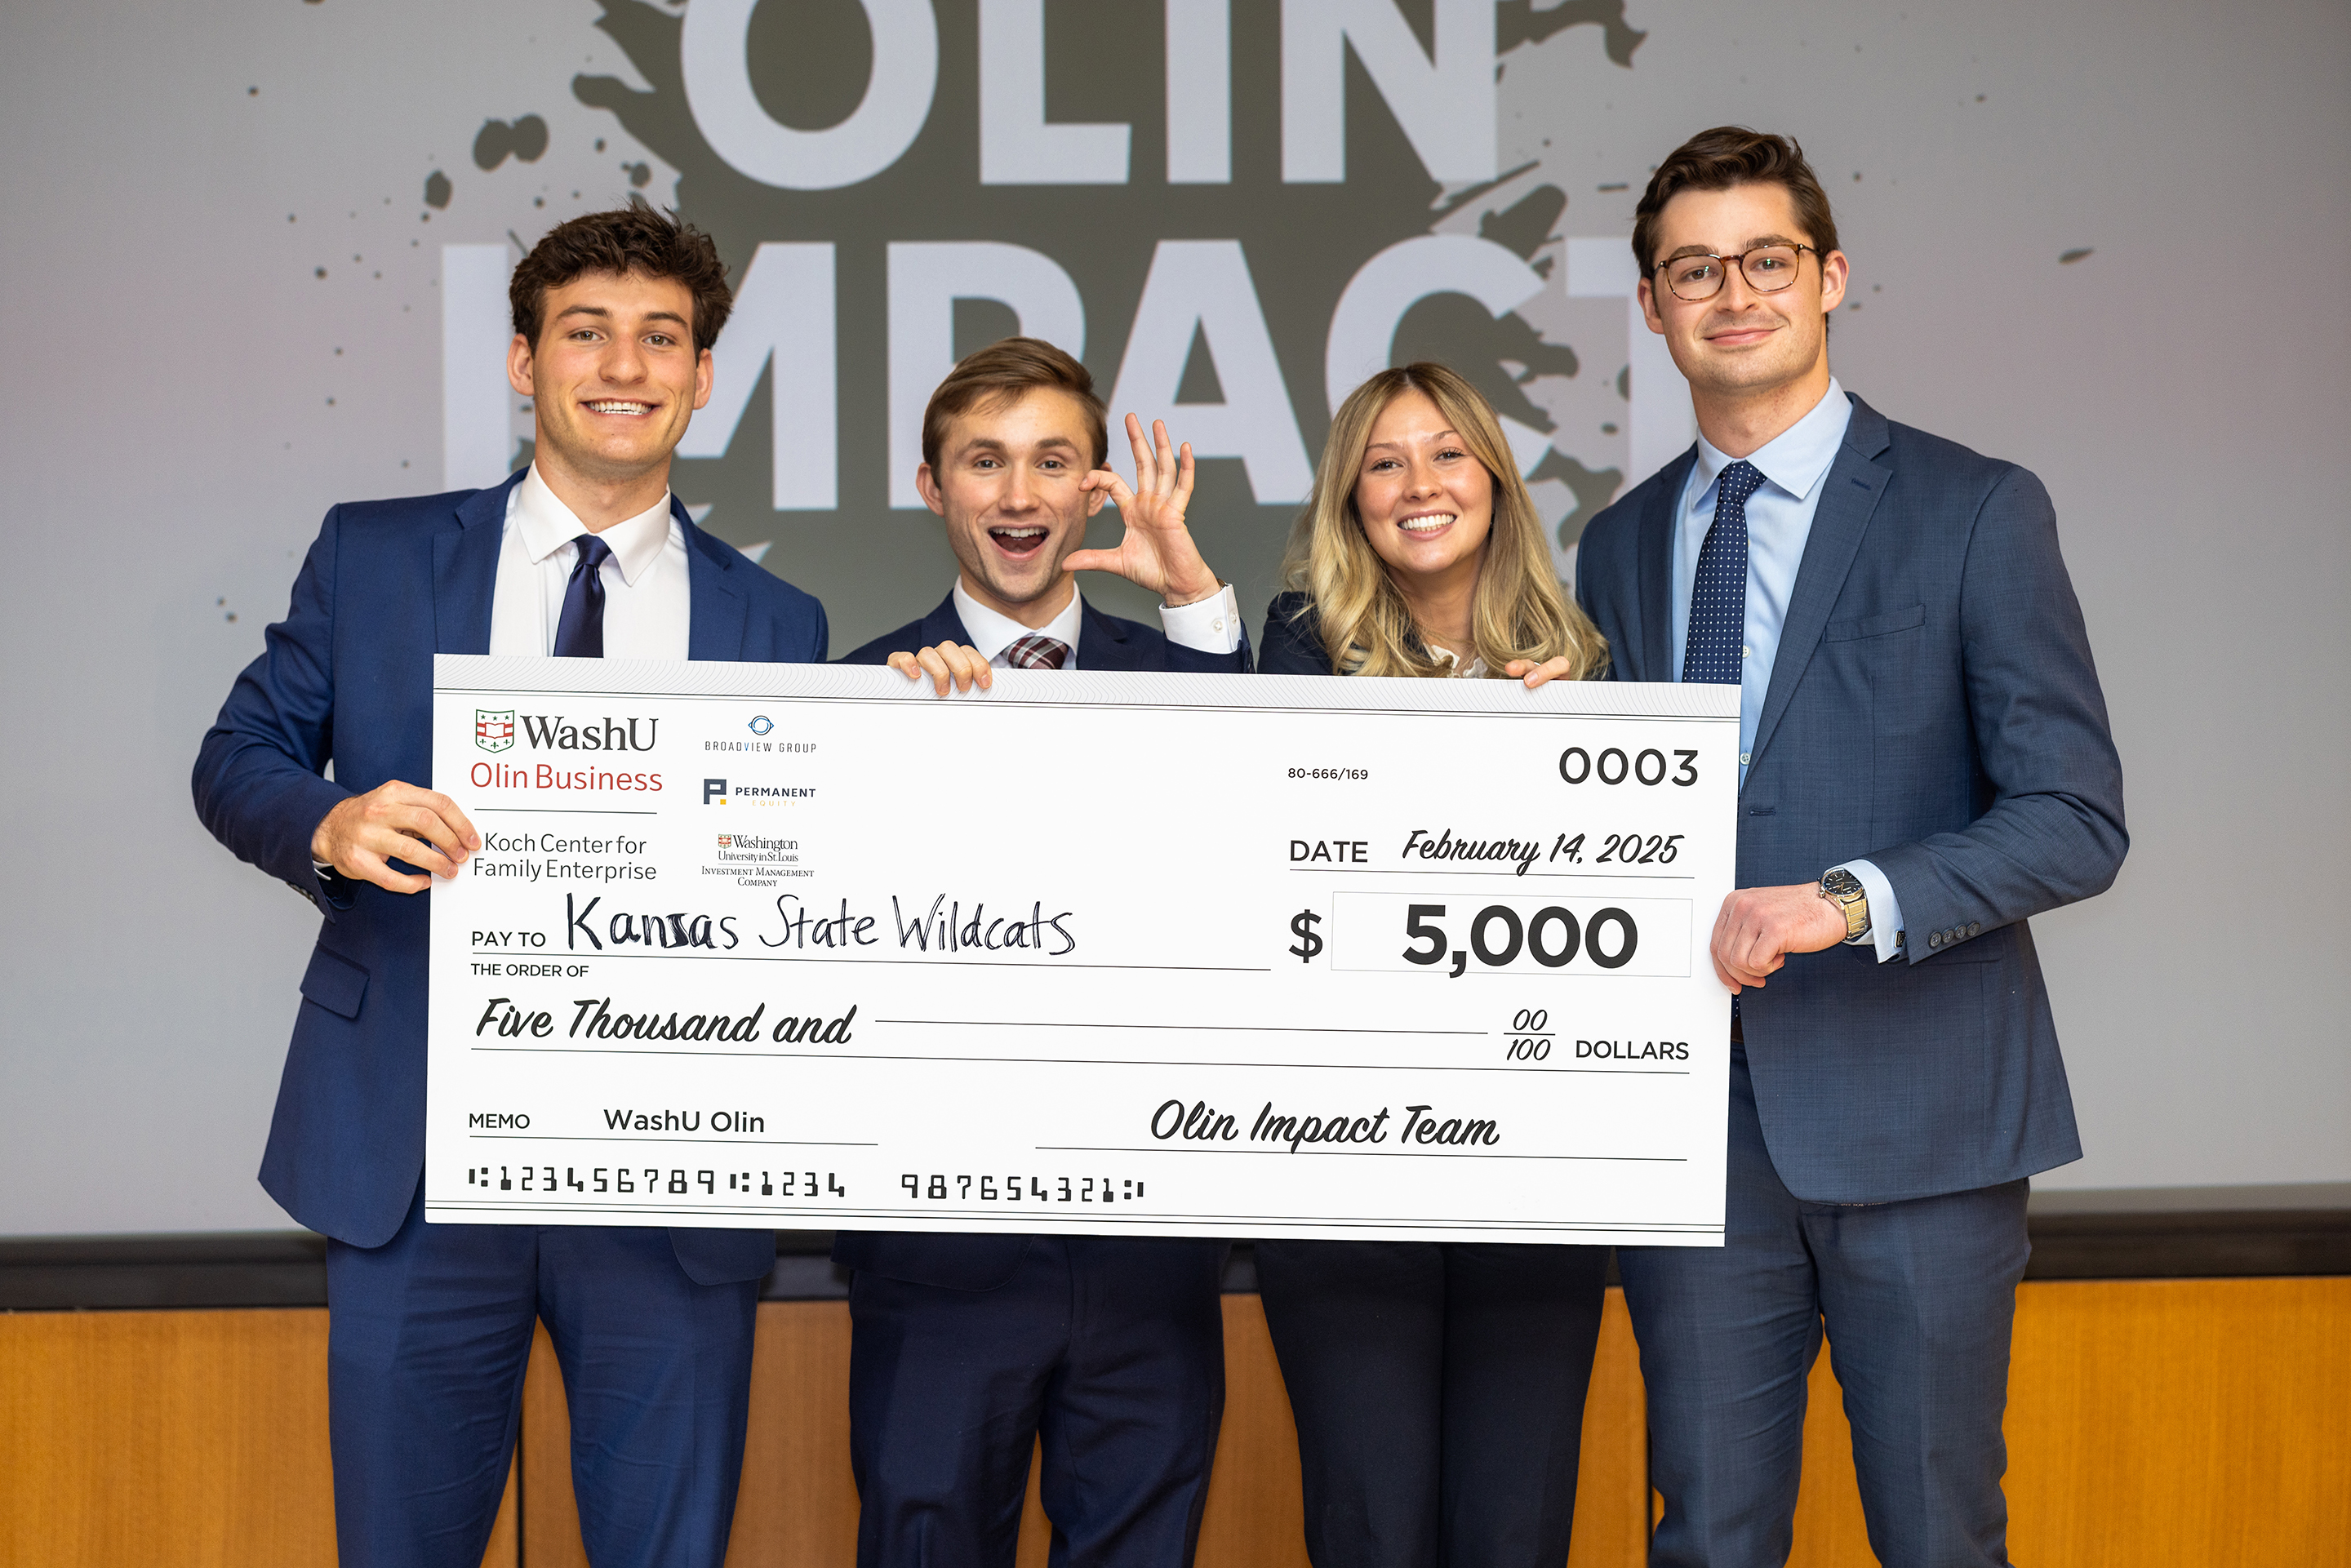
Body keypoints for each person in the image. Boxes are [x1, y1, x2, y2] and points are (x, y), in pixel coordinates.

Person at [190, 206, 826, 1568]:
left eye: (661, 338)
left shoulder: (778, 622)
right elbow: (235, 757)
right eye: (586, 332)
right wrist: (332, 819)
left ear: (704, 375)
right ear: (524, 361)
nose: (625, 366)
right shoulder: (374, 555)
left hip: (670, 1169)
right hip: (416, 1158)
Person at [1575, 127, 2127, 1567]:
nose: (1733, 293)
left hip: (1924, 1115)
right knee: (1706, 1536)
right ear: (1652, 305)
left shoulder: (1974, 508)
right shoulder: (1617, 545)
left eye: (1765, 260)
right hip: (1695, 1129)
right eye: (1695, 269)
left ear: (1829, 278)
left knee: (1938, 1536)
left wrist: (1848, 899)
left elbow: (2075, 816)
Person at [832, 336, 1248, 1568]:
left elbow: (1253, 824)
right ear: (932, 486)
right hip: (937, 1259)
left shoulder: (1187, 666)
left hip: (1150, 1259)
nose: (1018, 493)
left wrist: (1192, 594)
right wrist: (900, 746)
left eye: (1052, 461)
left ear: (1094, 489)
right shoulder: (852, 695)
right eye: (985, 461)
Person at [1253, 362, 1615, 1568]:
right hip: (1347, 1178)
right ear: (1350, 498)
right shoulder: (1301, 646)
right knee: (1373, 1523)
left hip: (1535, 1179)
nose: (1420, 484)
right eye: (1385, 462)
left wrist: (1577, 749)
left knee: (1516, 1527)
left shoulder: (1591, 667)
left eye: (1448, 453)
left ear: (1495, 478)